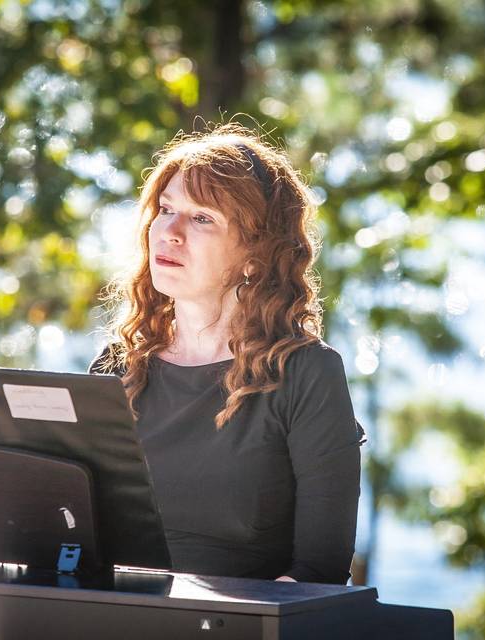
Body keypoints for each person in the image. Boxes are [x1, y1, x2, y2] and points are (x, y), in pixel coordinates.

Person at [88, 123, 364, 585]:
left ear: (256, 253)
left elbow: (318, 572)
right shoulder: (117, 366)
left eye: (202, 218)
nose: (170, 232)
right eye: (166, 209)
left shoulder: (306, 372)